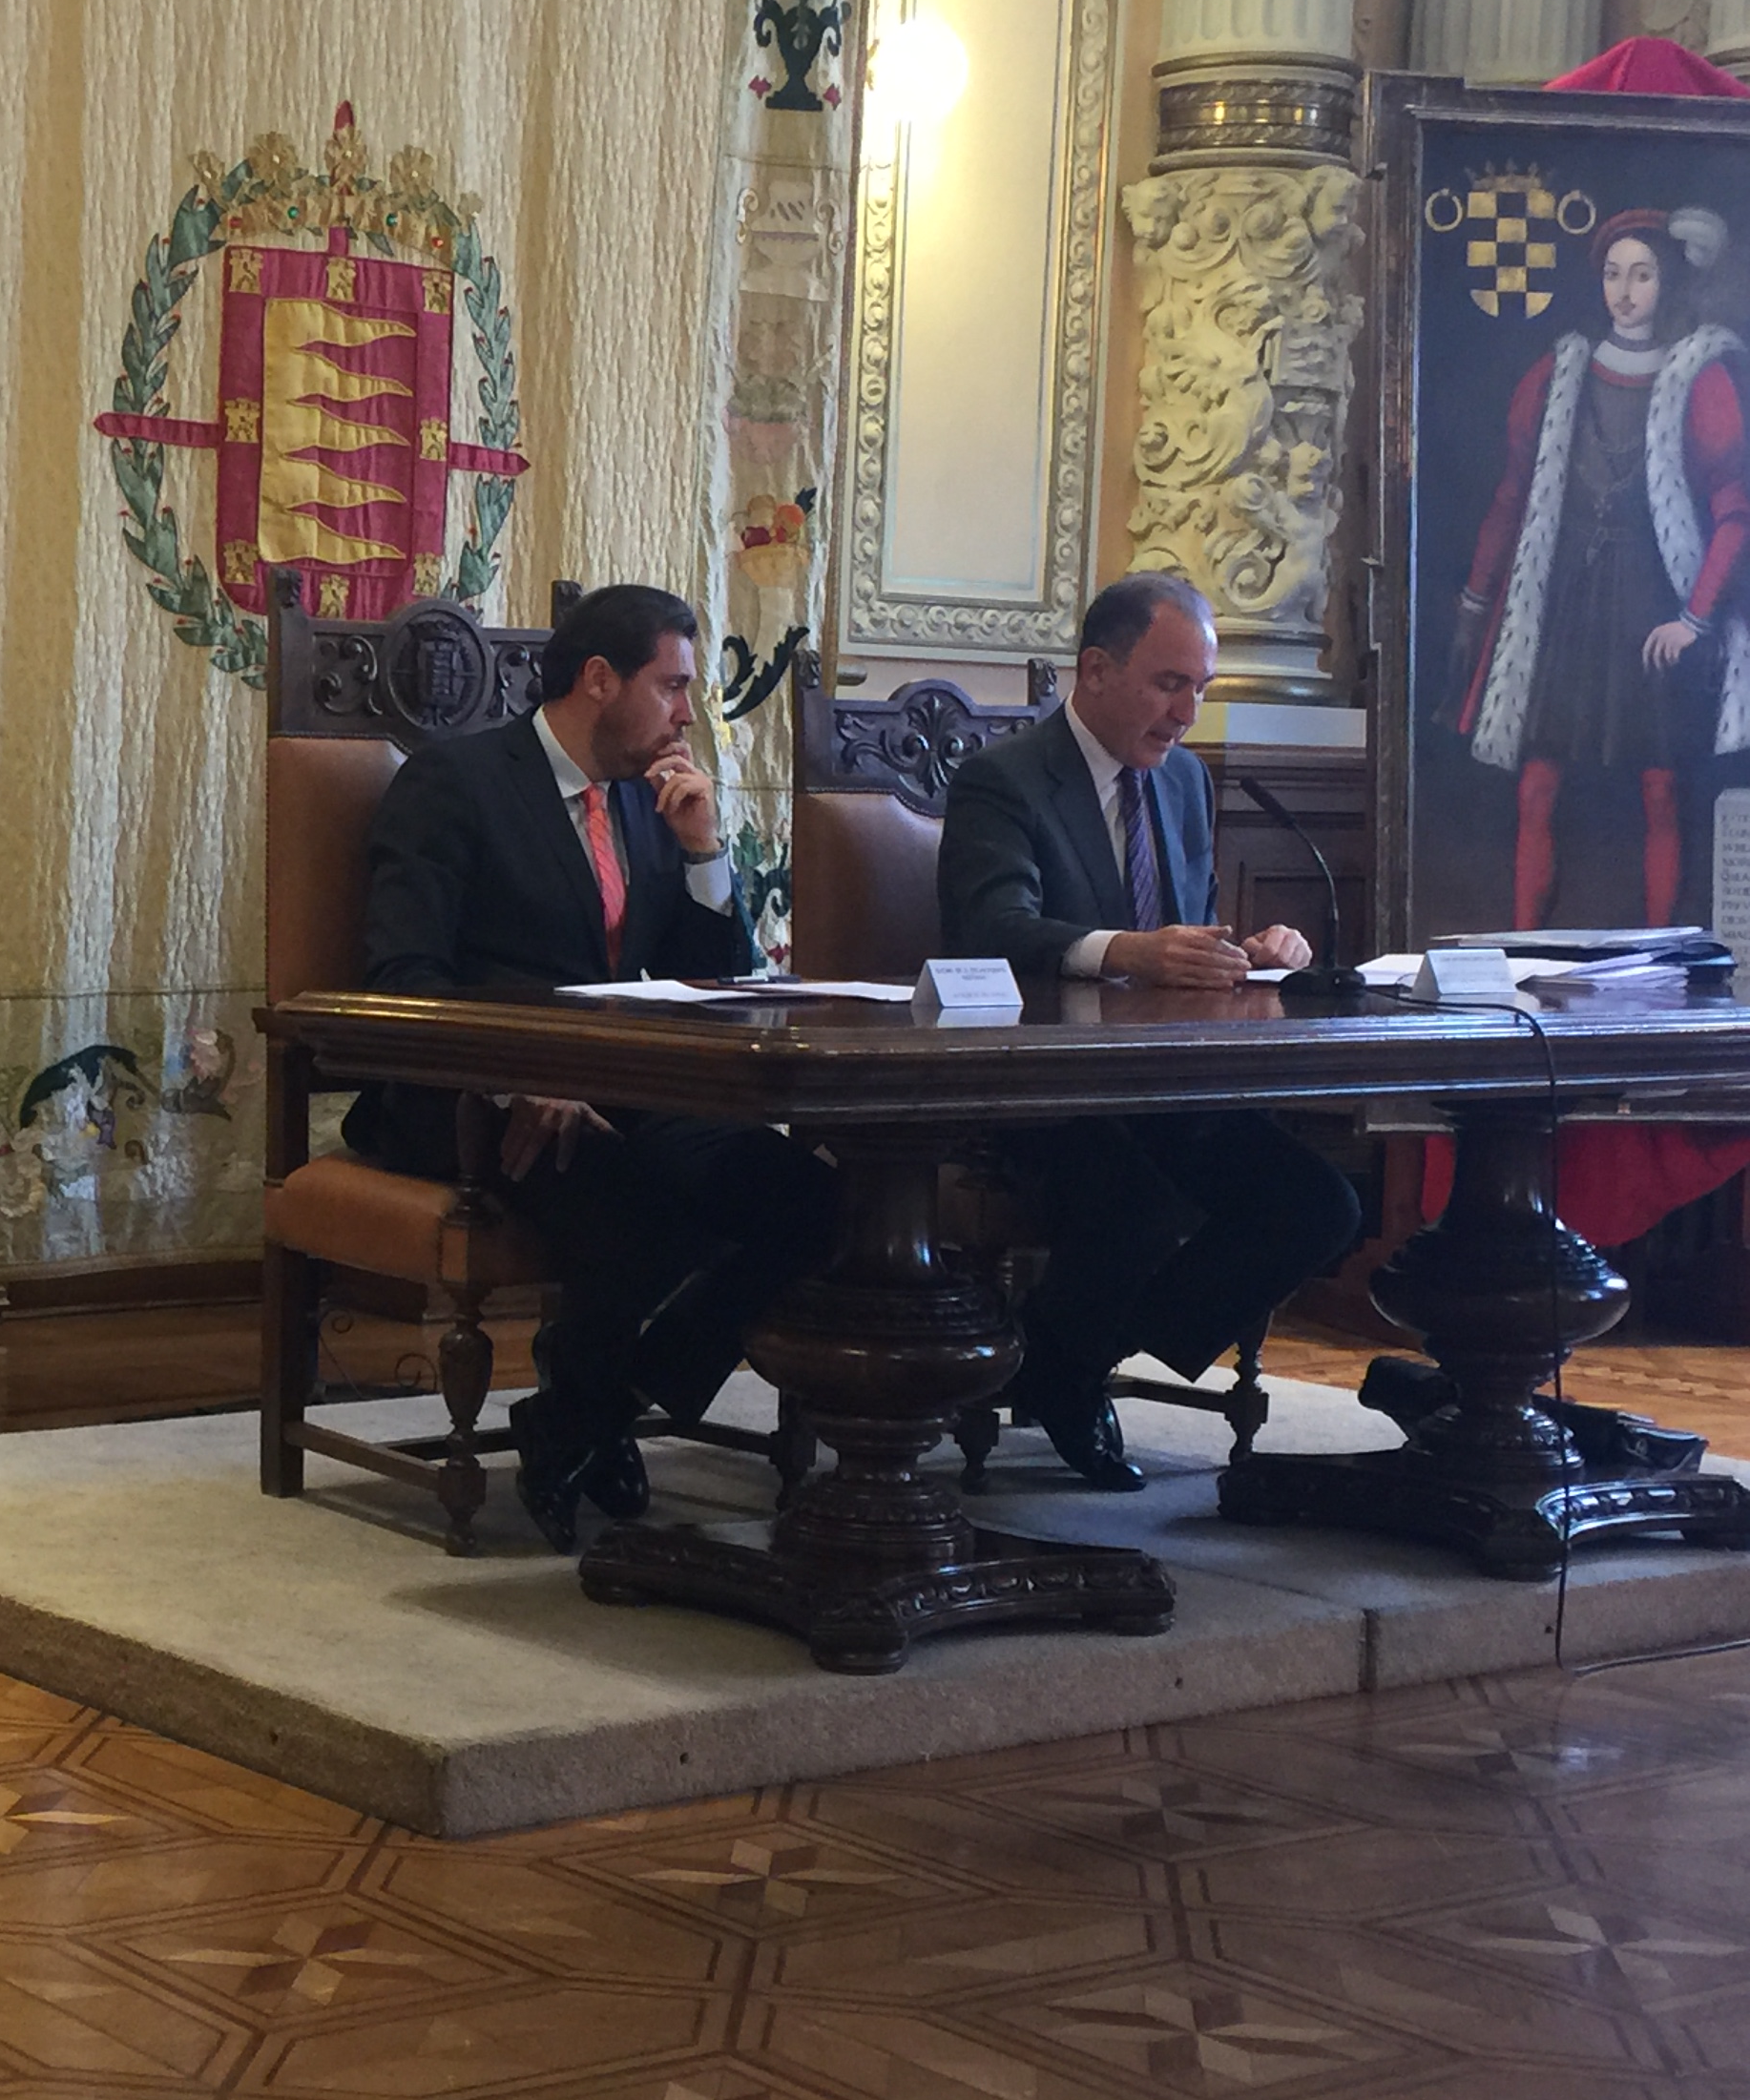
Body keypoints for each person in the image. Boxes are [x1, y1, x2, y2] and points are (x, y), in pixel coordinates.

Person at [347, 583, 838, 1549]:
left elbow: (716, 988)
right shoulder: (456, 783)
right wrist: (516, 1078)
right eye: (673, 686)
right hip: (469, 1097)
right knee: (637, 1205)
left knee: (809, 1201)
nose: (687, 714)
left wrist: (704, 853)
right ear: (601, 680)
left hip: (620, 1087)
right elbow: (404, 977)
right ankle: (592, 1417)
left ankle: (590, 1410)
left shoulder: (651, 802)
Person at [936, 572, 1361, 1488]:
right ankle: (1067, 1367)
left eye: (1200, 688)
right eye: (1170, 684)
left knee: (1319, 1204)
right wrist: (1130, 950)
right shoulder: (1003, 781)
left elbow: (1187, 933)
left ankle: (1066, 1360)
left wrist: (1250, 952)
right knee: (1139, 1204)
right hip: (1034, 1092)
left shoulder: (1184, 785)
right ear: (1096, 670)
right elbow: (993, 931)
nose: (1187, 713)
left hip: (1160, 1085)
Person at [1451, 205, 1750, 928]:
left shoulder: (1699, 377)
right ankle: (1523, 945)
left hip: (1652, 599)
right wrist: (1475, 598)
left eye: (1641, 275)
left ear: (1665, 282)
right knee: (1537, 786)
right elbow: (1513, 494)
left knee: (1660, 790)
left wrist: (1694, 619)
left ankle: (1661, 953)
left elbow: (1735, 512)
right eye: (1614, 274)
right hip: (1569, 602)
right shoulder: (1560, 374)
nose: (1625, 291)